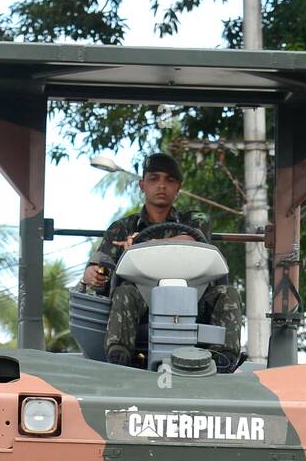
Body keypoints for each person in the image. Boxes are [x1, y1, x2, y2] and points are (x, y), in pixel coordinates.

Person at [80, 152, 242, 370]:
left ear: (178, 188)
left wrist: (144, 243)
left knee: (228, 294)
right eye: (154, 179)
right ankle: (118, 359)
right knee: (125, 292)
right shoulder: (122, 228)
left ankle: (223, 361)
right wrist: (93, 275)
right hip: (141, 308)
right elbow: (100, 265)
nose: (162, 186)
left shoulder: (195, 220)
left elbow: (194, 238)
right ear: (142, 185)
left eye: (170, 180)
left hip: (195, 303)